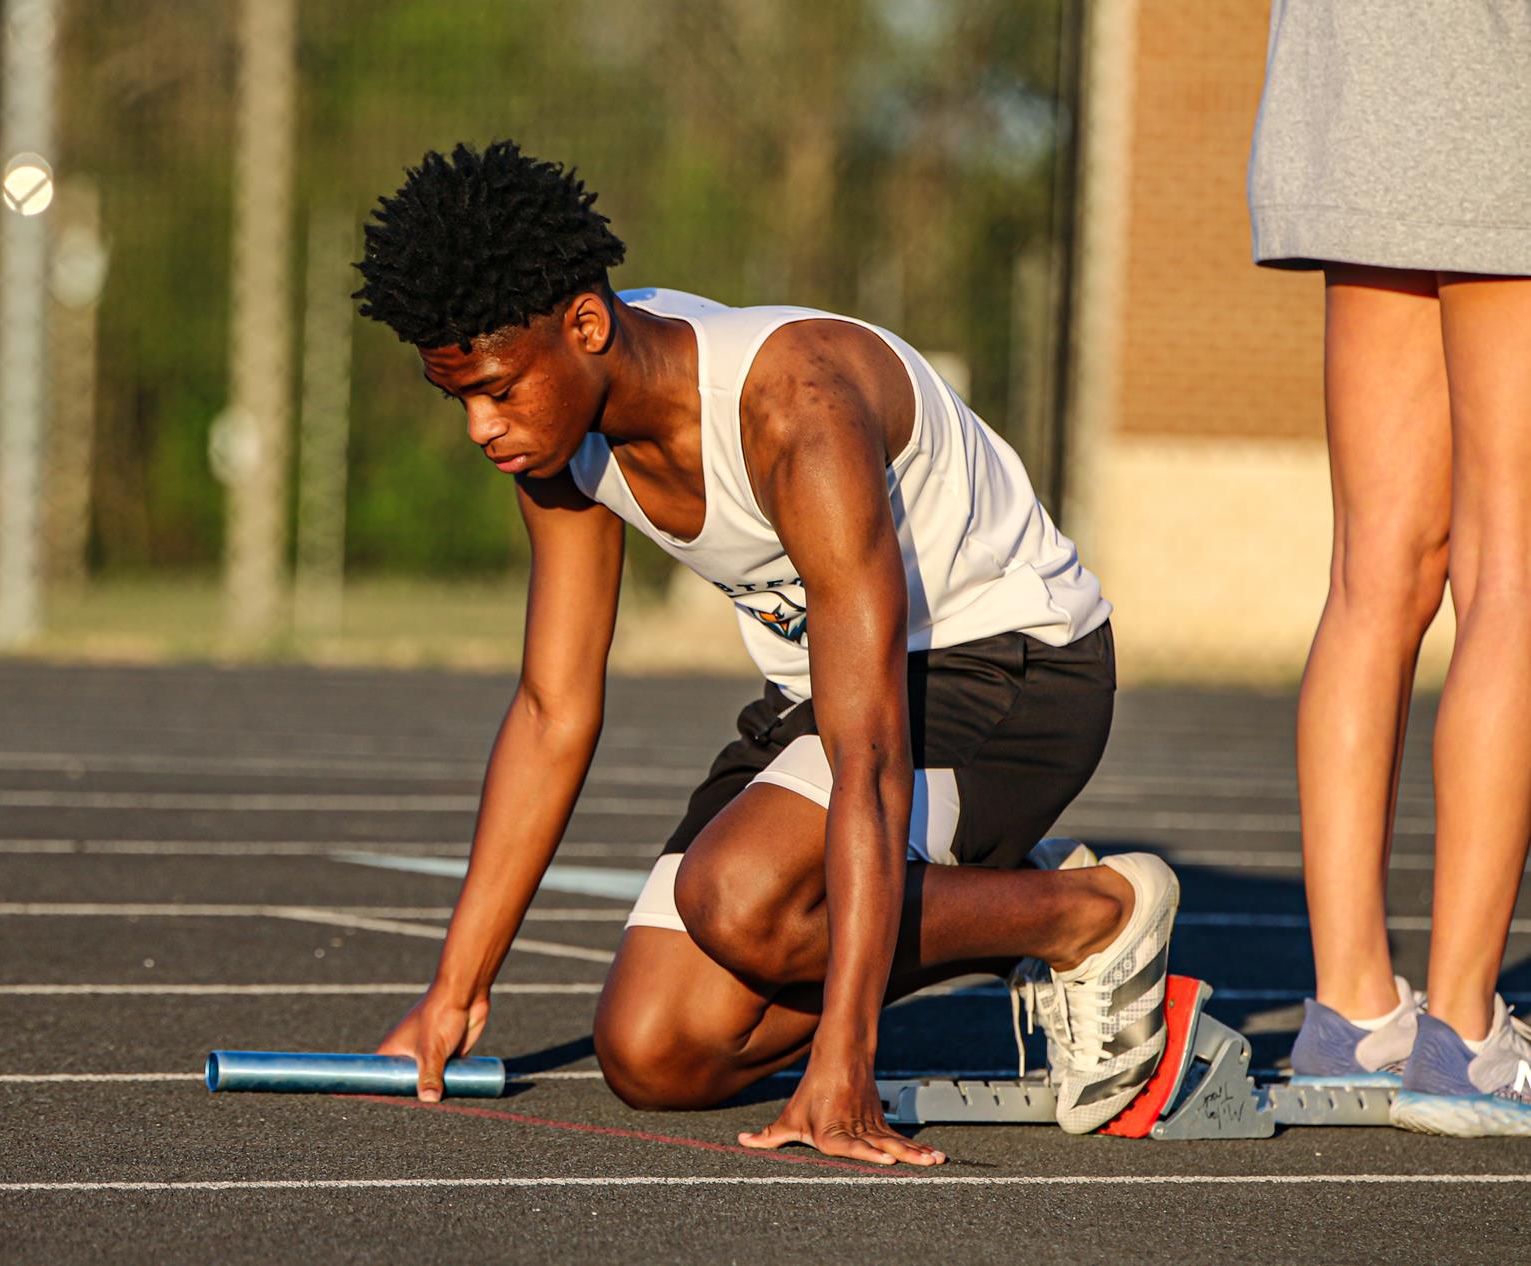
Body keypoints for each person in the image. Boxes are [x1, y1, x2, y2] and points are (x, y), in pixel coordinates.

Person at [355, 141, 1178, 1166]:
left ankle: (1088, 915)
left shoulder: (795, 409)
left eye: (498, 389)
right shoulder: (560, 436)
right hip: (831, 692)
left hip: (1013, 671)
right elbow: (551, 708)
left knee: (740, 897)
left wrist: (846, 1062)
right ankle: (999, 896)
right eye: (459, 400)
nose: (482, 427)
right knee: (656, 1055)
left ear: (585, 324)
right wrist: (456, 989)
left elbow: (871, 747)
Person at [1250, 1, 1531, 1135]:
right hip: (1495, 89)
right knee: (1510, 571)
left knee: (1374, 573)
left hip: (1356, 85)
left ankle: (1349, 1013)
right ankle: (1461, 1034)